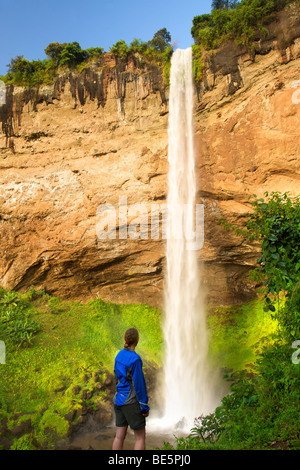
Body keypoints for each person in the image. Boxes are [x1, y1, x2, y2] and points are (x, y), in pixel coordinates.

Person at [112, 328, 150, 450]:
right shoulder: (135, 359)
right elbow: (139, 385)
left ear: (126, 339)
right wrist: (144, 406)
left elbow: (116, 377)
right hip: (131, 402)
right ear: (137, 340)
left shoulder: (119, 355)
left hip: (118, 400)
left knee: (119, 436)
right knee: (140, 438)